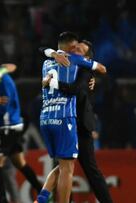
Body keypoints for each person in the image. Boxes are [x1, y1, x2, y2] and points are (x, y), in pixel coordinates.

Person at [36, 32, 106, 203]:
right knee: (67, 168)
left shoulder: (45, 63)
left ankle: (42, 197)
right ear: (68, 48)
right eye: (75, 47)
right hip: (64, 118)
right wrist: (91, 69)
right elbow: (103, 68)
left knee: (62, 165)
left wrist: (52, 54)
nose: (76, 49)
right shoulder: (75, 60)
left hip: (46, 118)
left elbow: (42, 49)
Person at [0, 51, 42, 203]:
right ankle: (44, 192)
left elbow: (2, 104)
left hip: (5, 126)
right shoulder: (2, 75)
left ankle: (1, 200)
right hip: (14, 125)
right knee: (19, 162)